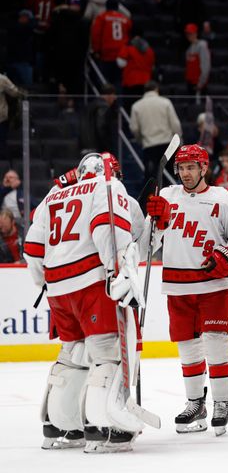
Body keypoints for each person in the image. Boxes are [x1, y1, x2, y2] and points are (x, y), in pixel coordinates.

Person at [23, 153, 142, 452]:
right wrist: (118, 272)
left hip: (58, 287)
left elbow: (33, 248)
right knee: (106, 353)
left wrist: (46, 284)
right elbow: (109, 230)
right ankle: (102, 428)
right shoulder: (107, 186)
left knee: (72, 353)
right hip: (91, 282)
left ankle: (60, 426)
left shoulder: (55, 192)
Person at [145, 144, 228, 436]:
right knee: (187, 345)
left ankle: (221, 403)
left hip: (214, 283)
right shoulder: (166, 196)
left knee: (216, 340)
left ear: (204, 168)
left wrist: (226, 256)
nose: (185, 173)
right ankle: (196, 403)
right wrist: (156, 222)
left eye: (191, 167)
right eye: (181, 168)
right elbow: (147, 245)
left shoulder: (224, 197)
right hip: (177, 284)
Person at [130, 81, 183, 183]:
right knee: (170, 178)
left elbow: (134, 128)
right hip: (168, 145)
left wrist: (141, 140)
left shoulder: (136, 106)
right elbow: (175, 124)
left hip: (149, 146)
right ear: (157, 89)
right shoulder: (165, 102)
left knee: (151, 179)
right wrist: (179, 141)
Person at [90, 0, 131, 88]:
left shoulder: (101, 17)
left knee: (104, 81)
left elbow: (95, 35)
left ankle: (105, 101)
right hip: (121, 55)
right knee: (119, 81)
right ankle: (118, 101)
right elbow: (128, 36)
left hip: (106, 55)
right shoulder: (125, 19)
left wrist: (96, 50)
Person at [117, 30, 155, 102]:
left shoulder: (128, 47)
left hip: (131, 81)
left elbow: (120, 63)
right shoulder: (150, 50)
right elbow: (152, 65)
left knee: (130, 105)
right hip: (146, 82)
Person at [81, 83, 118, 154]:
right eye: (114, 95)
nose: (115, 98)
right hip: (98, 151)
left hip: (86, 149)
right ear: (108, 95)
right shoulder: (103, 108)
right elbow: (101, 128)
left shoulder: (89, 106)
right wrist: (108, 149)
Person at [0, 74, 23, 159]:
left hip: (1, 119)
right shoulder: (2, 79)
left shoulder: (2, 79)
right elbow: (15, 92)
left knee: (1, 147)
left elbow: (15, 93)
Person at [184, 23, 211, 95]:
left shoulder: (202, 46)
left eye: (191, 33)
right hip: (190, 84)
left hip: (199, 85)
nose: (189, 36)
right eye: (188, 33)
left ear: (196, 34)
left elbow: (205, 67)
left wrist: (200, 84)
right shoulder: (189, 49)